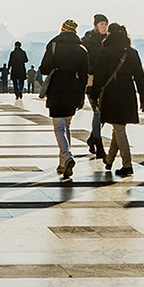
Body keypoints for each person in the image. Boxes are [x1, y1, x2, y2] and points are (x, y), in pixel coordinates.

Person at [89, 23, 144, 176]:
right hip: (128, 93)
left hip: (112, 94)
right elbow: (140, 77)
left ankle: (127, 164)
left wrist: (94, 95)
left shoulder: (105, 52)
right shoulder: (132, 52)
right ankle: (109, 160)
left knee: (119, 129)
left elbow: (99, 77)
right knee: (119, 126)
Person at [38, 20, 89, 180]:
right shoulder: (82, 49)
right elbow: (84, 76)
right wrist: (81, 96)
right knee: (67, 125)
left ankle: (67, 156)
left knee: (59, 127)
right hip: (73, 88)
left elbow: (44, 68)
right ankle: (63, 163)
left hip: (57, 88)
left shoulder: (53, 45)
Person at [83, 15, 112, 158]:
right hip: (91, 80)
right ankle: (98, 144)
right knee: (98, 112)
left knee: (103, 113)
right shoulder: (89, 39)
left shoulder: (110, 39)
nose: (104, 26)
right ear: (96, 25)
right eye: (101, 24)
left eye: (106, 24)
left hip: (105, 80)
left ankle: (92, 138)